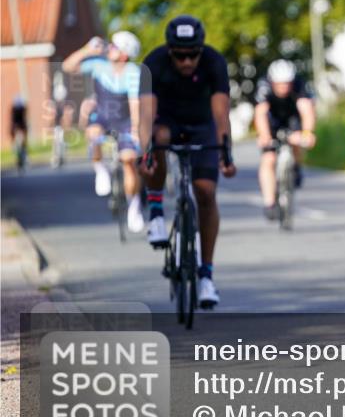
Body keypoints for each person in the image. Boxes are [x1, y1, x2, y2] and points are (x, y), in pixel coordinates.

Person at [138, 15, 236, 308]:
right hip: (166, 121)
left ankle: (206, 276)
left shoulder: (214, 62)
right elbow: (145, 116)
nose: (187, 61)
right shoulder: (152, 63)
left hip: (201, 124)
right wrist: (146, 152)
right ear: (170, 51)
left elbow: (221, 114)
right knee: (160, 138)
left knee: (206, 191)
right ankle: (155, 210)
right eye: (180, 55)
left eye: (193, 53)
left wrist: (226, 152)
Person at [62, 32, 145, 232]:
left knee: (129, 161)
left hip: (124, 120)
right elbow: (67, 66)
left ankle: (134, 205)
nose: (110, 48)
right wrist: (87, 50)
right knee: (93, 133)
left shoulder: (132, 71)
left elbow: (134, 102)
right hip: (102, 115)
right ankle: (100, 170)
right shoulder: (99, 64)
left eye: (115, 47)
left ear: (125, 54)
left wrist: (135, 128)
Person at [254, 59, 317, 219]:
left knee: (297, 142)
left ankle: (296, 167)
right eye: (280, 84)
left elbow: (306, 109)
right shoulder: (264, 86)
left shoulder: (299, 84)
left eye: (287, 83)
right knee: (268, 159)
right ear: (272, 82)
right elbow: (261, 113)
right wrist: (264, 135)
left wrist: (307, 132)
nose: (284, 87)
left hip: (292, 118)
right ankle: (269, 202)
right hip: (272, 121)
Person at [10, 95, 28, 170]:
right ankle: (15, 152)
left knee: (23, 140)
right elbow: (12, 121)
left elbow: (24, 120)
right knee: (15, 141)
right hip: (16, 125)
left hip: (21, 125)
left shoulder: (23, 108)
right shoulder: (13, 109)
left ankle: (24, 153)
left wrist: (24, 130)